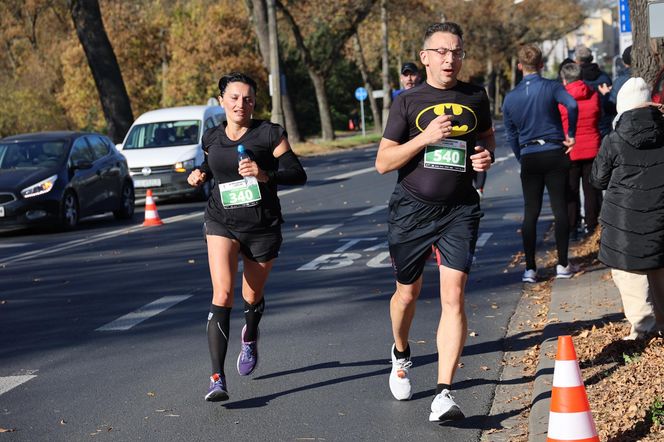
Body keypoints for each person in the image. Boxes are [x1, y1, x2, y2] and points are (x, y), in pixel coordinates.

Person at [375, 21, 495, 422]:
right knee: (406, 295)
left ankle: (444, 393)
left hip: (460, 209)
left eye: (457, 51)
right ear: (425, 57)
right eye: (442, 52)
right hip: (411, 209)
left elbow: (487, 138)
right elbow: (383, 163)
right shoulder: (407, 102)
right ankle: (401, 350)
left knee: (454, 295)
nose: (450, 59)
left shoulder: (476, 96)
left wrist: (483, 157)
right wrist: (423, 138)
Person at [187, 72, 307, 402]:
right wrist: (199, 174)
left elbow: (298, 173)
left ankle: (250, 334)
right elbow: (212, 166)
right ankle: (216, 377)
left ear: (255, 102)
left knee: (251, 295)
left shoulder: (269, 134)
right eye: (236, 98)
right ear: (222, 100)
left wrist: (264, 173)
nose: (242, 103)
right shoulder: (211, 137)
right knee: (223, 292)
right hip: (221, 220)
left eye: (249, 98)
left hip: (262, 226)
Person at [591, 77, 664, 340]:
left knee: (630, 274)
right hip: (660, 215)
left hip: (624, 220)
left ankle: (642, 330)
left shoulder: (614, 138)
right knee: (659, 266)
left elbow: (597, 179)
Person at [502, 43, 578, 283]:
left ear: (519, 66)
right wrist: (571, 133)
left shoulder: (510, 98)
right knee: (560, 208)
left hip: (530, 155)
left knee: (531, 212)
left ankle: (530, 269)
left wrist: (520, 155)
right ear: (542, 65)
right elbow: (572, 104)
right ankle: (563, 264)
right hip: (555, 151)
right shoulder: (551, 86)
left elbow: (511, 134)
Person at [558, 62, 602, 239]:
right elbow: (598, 116)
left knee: (571, 189)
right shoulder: (593, 94)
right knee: (591, 189)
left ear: (564, 79)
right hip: (592, 146)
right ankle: (592, 225)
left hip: (570, 147)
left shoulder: (561, 98)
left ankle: (572, 225)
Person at [575, 45, 614, 138]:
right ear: (591, 58)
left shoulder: (576, 79)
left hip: (584, 121)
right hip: (604, 120)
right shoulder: (604, 77)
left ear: (577, 60)